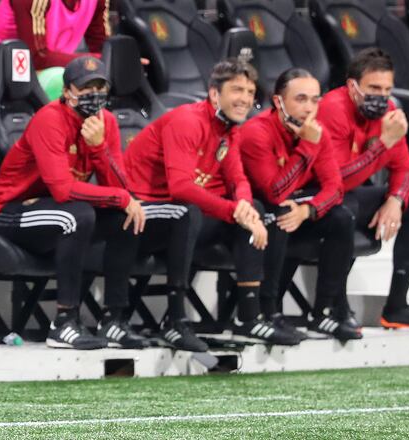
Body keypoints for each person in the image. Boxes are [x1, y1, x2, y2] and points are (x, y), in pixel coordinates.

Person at [124, 59, 301, 347]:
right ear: (214, 94)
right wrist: (234, 211)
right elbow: (180, 187)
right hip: (144, 213)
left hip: (181, 215)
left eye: (249, 91)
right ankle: (175, 321)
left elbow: (238, 180)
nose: (245, 98)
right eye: (237, 90)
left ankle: (251, 317)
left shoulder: (229, 129)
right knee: (190, 212)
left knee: (259, 210)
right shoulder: (187, 121)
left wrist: (244, 207)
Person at [0, 56, 148, 350]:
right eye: (85, 88)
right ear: (68, 90)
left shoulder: (106, 123)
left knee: (126, 218)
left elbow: (121, 186)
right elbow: (62, 190)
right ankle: (64, 323)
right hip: (9, 213)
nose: (94, 94)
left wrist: (98, 149)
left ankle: (113, 320)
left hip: (53, 211)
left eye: (100, 87)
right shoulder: (50, 119)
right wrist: (121, 197)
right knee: (78, 215)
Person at [317, 47, 409, 330]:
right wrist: (383, 144)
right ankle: (337, 306)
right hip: (321, 197)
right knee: (343, 209)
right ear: (352, 86)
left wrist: (395, 200)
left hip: (352, 192)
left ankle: (397, 306)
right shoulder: (332, 109)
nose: (381, 97)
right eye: (373, 88)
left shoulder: (391, 110)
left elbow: (404, 169)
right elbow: (336, 182)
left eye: (387, 89)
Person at [240, 68, 360, 341]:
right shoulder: (256, 133)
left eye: (315, 100)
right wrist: (307, 146)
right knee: (281, 211)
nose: (309, 108)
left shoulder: (318, 133)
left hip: (294, 210)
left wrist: (309, 211)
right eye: (301, 99)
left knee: (341, 217)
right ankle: (269, 311)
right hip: (256, 213)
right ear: (278, 101)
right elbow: (274, 191)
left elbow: (335, 187)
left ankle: (325, 311)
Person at [0, 0, 109, 100]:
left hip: (54, 70)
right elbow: (36, 58)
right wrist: (91, 62)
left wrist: (103, 63)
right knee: (63, 82)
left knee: (111, 75)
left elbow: (103, 47)